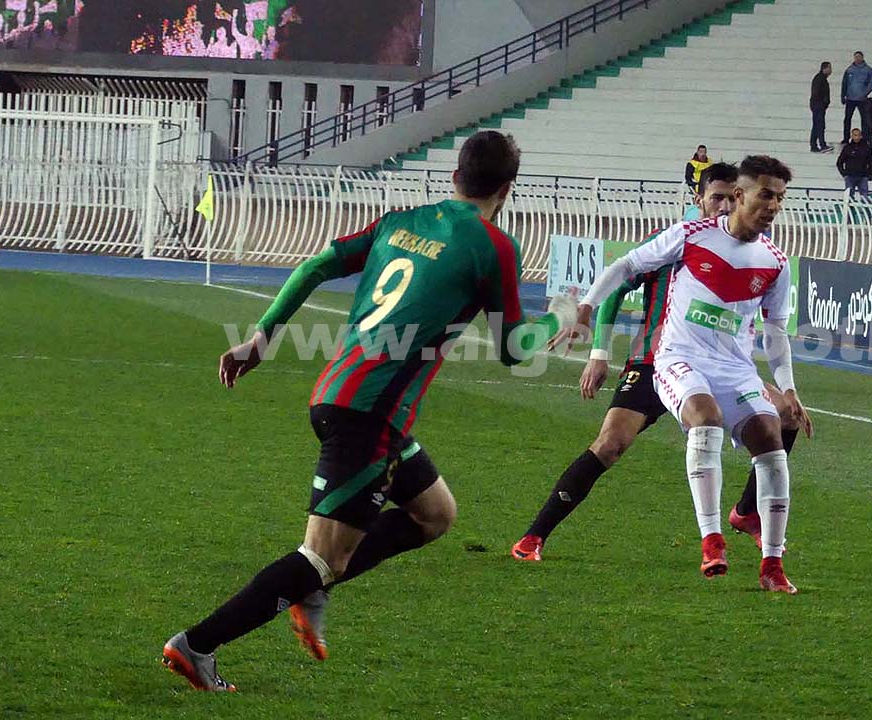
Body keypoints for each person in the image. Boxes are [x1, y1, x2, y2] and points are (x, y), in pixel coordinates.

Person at [160, 131, 578, 690]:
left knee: (434, 514)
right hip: (370, 416)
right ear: (506, 190)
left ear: (454, 177)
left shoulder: (398, 222)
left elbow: (314, 266)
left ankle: (313, 588)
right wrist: (561, 317)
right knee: (321, 557)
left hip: (341, 395)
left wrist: (261, 338)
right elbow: (513, 349)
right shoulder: (492, 245)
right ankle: (198, 643)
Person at [511, 164, 802, 561]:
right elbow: (619, 284)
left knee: (785, 415)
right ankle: (535, 535)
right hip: (655, 362)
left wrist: (785, 385)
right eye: (715, 197)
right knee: (609, 445)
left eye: (727, 198)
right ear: (700, 199)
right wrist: (599, 352)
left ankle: (747, 511)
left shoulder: (758, 255)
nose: (721, 205)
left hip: (718, 365)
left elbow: (771, 326)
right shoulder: (679, 239)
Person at [841, 51, 872, 142]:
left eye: (859, 57)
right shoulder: (849, 70)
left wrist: (865, 93)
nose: (857, 59)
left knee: (864, 119)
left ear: (862, 57)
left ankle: (865, 137)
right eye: (856, 57)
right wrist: (843, 95)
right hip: (850, 98)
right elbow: (844, 83)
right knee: (847, 119)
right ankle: (846, 138)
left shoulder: (868, 70)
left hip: (862, 99)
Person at [837, 127, 872, 196]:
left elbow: (871, 162)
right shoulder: (847, 148)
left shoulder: (866, 148)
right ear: (852, 136)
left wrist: (867, 174)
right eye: (855, 135)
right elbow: (839, 162)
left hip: (863, 176)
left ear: (861, 136)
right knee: (849, 196)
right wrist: (844, 174)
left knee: (864, 196)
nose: (857, 137)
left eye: (858, 135)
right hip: (850, 176)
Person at [809, 61, 833, 153]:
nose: (830, 70)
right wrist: (823, 102)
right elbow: (816, 92)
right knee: (820, 125)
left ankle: (813, 145)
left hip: (817, 105)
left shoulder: (820, 78)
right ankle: (822, 145)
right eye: (829, 68)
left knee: (816, 125)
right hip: (818, 105)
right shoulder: (820, 79)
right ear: (824, 68)